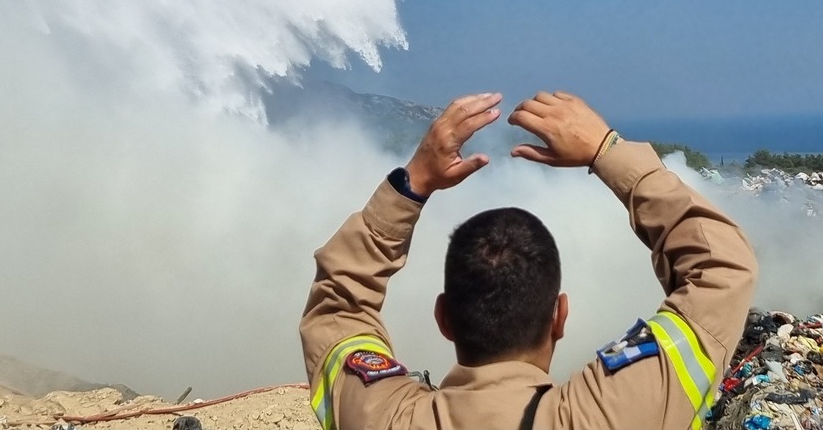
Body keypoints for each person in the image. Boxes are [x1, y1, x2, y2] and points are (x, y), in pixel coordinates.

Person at [301, 90, 758, 430]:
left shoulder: (382, 417)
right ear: (560, 316)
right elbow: (722, 267)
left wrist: (413, 182)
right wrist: (607, 150)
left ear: (444, 318)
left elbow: (338, 308)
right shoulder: (609, 414)